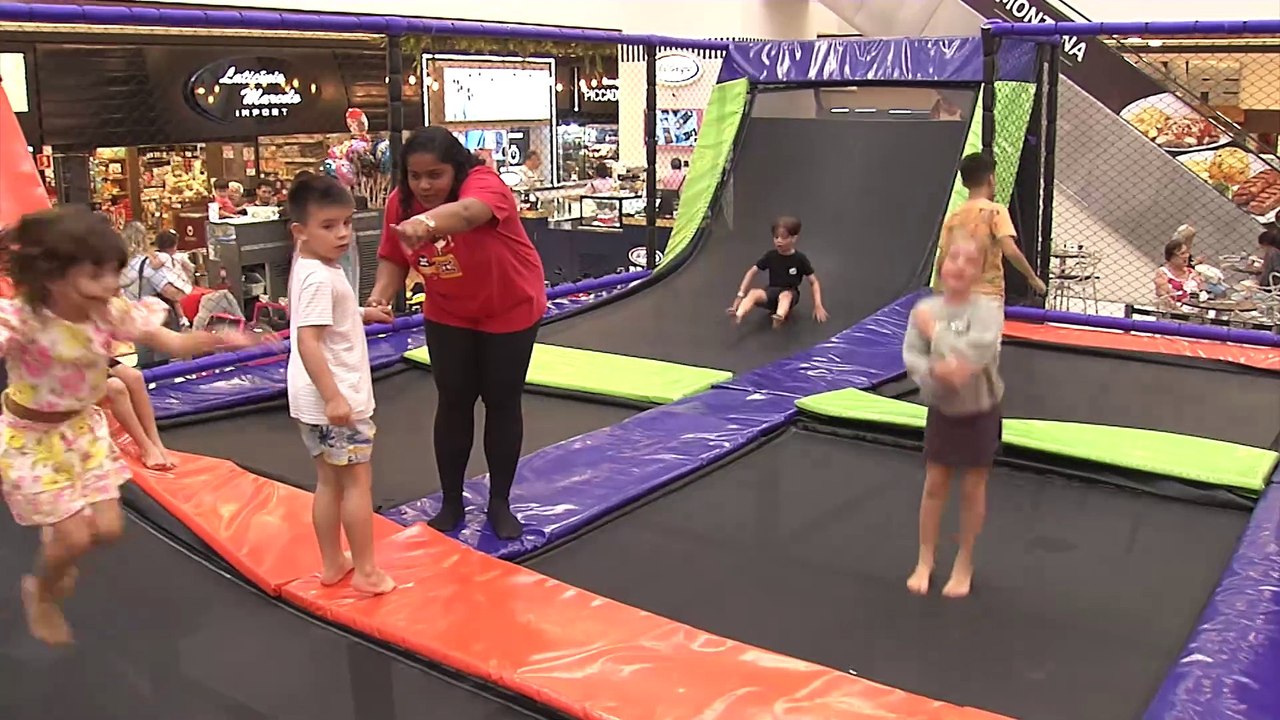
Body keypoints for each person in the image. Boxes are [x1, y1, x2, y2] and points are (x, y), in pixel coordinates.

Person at [0, 207, 261, 645]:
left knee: (107, 529)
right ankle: (41, 594)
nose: (110, 285)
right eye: (96, 274)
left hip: (83, 432)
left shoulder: (110, 311)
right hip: (32, 439)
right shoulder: (25, 319)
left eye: (114, 273)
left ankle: (62, 541)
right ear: (53, 276)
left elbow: (173, 341)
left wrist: (221, 338)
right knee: (72, 538)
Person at [366, 127, 546, 541]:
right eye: (415, 176)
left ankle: (499, 501)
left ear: (455, 170)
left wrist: (426, 223)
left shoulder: (483, 183)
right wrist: (379, 299)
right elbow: (393, 256)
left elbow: (467, 215)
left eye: (435, 175)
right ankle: (451, 500)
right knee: (453, 402)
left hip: (509, 306)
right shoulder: (401, 203)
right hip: (450, 310)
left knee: (501, 401)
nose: (425, 185)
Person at [286, 174, 396, 596]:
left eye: (347, 223)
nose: (343, 234)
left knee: (329, 481)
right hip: (335, 398)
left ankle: (334, 563)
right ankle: (366, 571)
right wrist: (334, 395)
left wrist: (361, 315)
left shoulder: (309, 264)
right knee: (355, 483)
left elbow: (321, 322)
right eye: (329, 226)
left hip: (312, 399)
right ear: (300, 232)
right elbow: (307, 339)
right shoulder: (320, 277)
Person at [903, 234, 1005, 600]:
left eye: (968, 260)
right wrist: (934, 371)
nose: (959, 265)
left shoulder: (988, 312)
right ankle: (924, 560)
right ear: (942, 265)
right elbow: (913, 355)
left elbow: (974, 356)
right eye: (953, 258)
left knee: (973, 488)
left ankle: (964, 562)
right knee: (935, 485)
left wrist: (938, 336)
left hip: (980, 410)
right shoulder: (927, 308)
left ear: (979, 271)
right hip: (943, 408)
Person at [935, 153, 1046, 300]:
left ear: (963, 183)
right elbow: (1010, 249)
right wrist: (1032, 278)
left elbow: (943, 257)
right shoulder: (995, 211)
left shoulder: (954, 216)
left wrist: (938, 292)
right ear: (991, 179)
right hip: (986, 294)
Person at [728, 215, 829, 328]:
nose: (779, 241)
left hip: (790, 293)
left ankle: (779, 317)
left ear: (794, 238)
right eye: (776, 237)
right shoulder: (770, 256)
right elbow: (752, 272)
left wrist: (818, 304)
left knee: (785, 296)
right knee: (753, 293)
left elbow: (814, 282)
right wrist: (740, 295)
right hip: (772, 292)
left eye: (783, 237)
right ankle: (738, 314)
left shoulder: (800, 259)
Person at [1154, 237, 1204, 310]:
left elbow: (1203, 291)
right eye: (1182, 253)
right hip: (1174, 313)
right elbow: (1162, 296)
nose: (1187, 256)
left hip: (1196, 312)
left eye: (1187, 252)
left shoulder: (1192, 272)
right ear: (1171, 257)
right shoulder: (1163, 273)